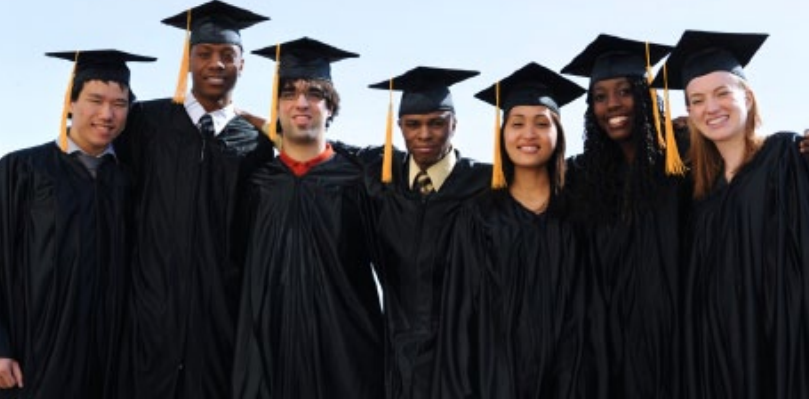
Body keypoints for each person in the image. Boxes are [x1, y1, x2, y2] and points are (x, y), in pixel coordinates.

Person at [112, 2, 273, 398]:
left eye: (226, 55)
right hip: (149, 320)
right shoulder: (146, 124)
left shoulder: (256, 144)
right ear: (187, 60)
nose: (215, 64)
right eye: (204, 53)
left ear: (243, 64)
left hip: (219, 322)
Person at [652, 30, 809, 399]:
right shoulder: (700, 196)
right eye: (697, 100)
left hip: (780, 352)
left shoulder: (787, 157)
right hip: (718, 365)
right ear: (689, 112)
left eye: (723, 93)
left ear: (748, 97)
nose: (711, 107)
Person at [231, 37, 384, 399]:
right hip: (271, 357)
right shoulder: (258, 183)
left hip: (347, 360)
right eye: (289, 93)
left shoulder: (358, 180)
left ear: (330, 106)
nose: (301, 102)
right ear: (277, 106)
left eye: (314, 93)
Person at [0, 49, 154, 398]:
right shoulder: (21, 170)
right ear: (70, 103)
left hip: (109, 360)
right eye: (95, 100)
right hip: (34, 355)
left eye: (119, 103)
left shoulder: (130, 182)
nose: (107, 114)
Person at [431, 62, 587, 398]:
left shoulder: (580, 218)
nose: (528, 134)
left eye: (542, 123)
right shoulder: (477, 219)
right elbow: (460, 325)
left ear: (558, 134)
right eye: (517, 123)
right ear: (502, 134)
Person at [559, 34, 690, 398]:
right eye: (600, 97)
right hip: (609, 350)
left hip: (680, 344)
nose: (612, 105)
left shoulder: (685, 157)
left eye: (625, 91)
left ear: (646, 96)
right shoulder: (583, 177)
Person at [362, 66, 491, 399]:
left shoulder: (485, 186)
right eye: (413, 124)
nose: (424, 134)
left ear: (454, 125)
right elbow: (316, 148)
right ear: (399, 126)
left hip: (462, 356)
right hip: (396, 356)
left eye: (437, 123)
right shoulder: (380, 178)